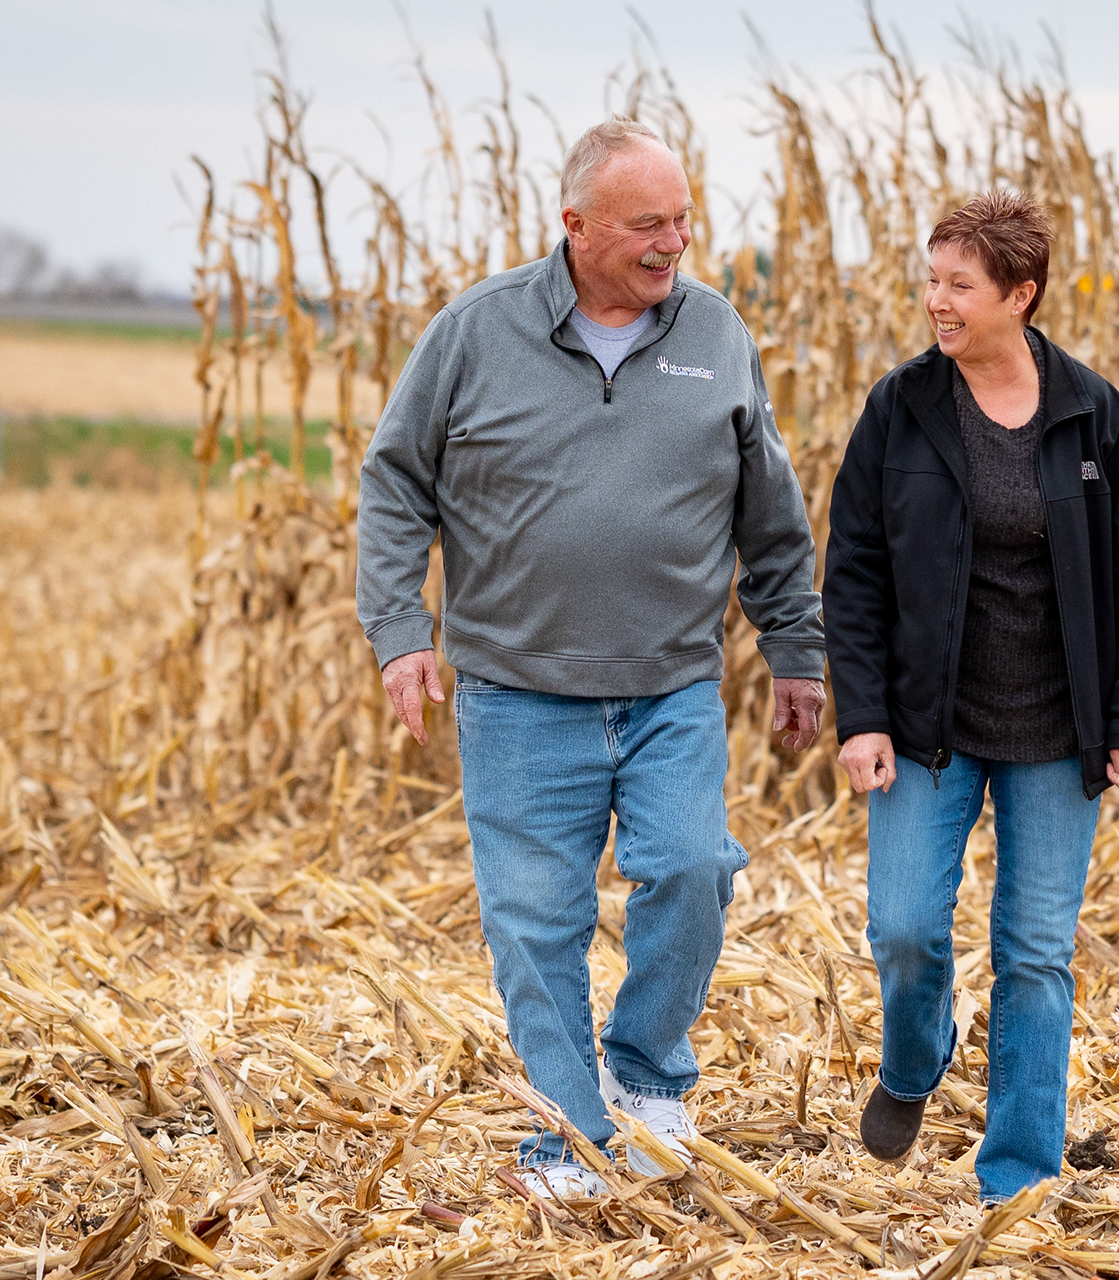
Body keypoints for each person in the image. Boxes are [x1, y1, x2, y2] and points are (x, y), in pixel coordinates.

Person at [356, 118, 827, 1200]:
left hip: (671, 685)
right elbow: (395, 482)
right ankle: (569, 1140)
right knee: (536, 926)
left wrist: (795, 649)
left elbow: (771, 511)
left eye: (684, 219)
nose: (676, 242)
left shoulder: (716, 332)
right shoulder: (476, 332)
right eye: (649, 223)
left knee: (695, 868)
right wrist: (399, 633)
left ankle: (646, 1075)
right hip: (517, 692)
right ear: (575, 224)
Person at [823, 190, 1119, 1202]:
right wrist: (863, 715)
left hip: (1059, 731)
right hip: (927, 725)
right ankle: (913, 1061)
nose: (936, 301)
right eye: (931, 280)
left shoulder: (1091, 414)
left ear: (1020, 295)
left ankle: (1017, 1180)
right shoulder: (901, 408)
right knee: (903, 928)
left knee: (1034, 955)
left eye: (960, 285)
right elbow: (853, 569)